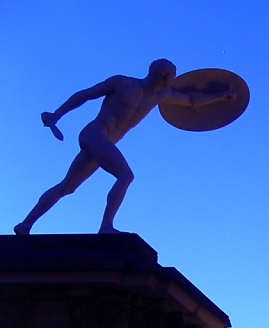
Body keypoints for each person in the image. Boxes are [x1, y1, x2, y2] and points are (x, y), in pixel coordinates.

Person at [15, 59, 234, 235]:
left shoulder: (160, 96)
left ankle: (25, 224)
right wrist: (57, 114)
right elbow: (85, 95)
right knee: (125, 176)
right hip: (95, 134)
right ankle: (106, 227)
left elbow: (191, 100)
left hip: (104, 142)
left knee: (67, 187)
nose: (174, 80)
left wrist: (222, 96)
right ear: (165, 76)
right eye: (173, 76)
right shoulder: (123, 83)